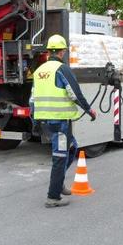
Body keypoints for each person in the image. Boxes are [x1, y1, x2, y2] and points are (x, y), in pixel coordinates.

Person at [31, 34, 96, 208]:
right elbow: (75, 94)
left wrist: (34, 121)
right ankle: (53, 197)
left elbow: (32, 99)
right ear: (62, 52)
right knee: (60, 157)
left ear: (48, 52)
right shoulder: (62, 69)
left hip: (46, 122)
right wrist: (89, 110)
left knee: (72, 147)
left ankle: (59, 184)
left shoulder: (39, 72)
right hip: (59, 122)